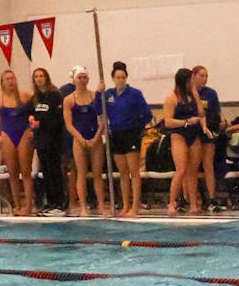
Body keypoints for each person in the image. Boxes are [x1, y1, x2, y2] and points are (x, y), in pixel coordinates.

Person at [103, 62, 151, 217]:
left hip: (131, 134)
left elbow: (147, 114)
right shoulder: (108, 95)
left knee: (133, 171)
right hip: (116, 135)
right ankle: (125, 205)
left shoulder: (135, 94)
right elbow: (98, 108)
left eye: (123, 77)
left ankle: (135, 207)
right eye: (117, 77)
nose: (120, 80)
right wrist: (98, 92)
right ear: (113, 78)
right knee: (123, 172)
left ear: (126, 78)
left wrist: (137, 127)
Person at [63, 66, 109, 217]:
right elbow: (69, 125)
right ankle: (83, 207)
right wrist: (80, 139)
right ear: (74, 80)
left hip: (95, 137)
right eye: (79, 78)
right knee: (81, 174)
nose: (82, 80)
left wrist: (96, 138)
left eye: (84, 78)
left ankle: (102, 206)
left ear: (88, 79)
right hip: (79, 139)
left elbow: (102, 121)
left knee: (97, 174)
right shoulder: (69, 100)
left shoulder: (95, 97)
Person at [0, 69, 33, 216]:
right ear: (2, 82)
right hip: (7, 136)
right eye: (7, 79)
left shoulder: (26, 96)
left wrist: (33, 129)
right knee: (12, 173)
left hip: (23, 134)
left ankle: (28, 205)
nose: (11, 81)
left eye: (12, 78)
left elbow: (37, 111)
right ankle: (17, 205)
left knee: (26, 172)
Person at [193, 65, 238, 213]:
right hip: (193, 134)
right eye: (202, 75)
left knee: (208, 166)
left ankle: (212, 199)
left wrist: (222, 123)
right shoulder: (188, 93)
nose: (205, 79)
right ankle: (192, 199)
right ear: (194, 76)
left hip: (208, 133)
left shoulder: (211, 94)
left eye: (206, 76)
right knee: (191, 168)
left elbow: (218, 113)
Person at [160, 67, 204, 216]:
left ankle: (193, 204)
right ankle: (171, 203)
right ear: (184, 81)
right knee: (181, 170)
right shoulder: (171, 98)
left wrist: (196, 96)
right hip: (179, 134)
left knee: (193, 171)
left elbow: (201, 113)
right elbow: (168, 121)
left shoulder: (194, 94)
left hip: (193, 134)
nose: (194, 82)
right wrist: (185, 122)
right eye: (191, 79)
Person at [27, 67, 68, 216]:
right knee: (46, 172)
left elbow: (58, 119)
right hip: (41, 141)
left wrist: (41, 124)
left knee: (55, 171)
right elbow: (29, 111)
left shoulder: (55, 95)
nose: (39, 79)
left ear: (46, 77)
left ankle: (59, 203)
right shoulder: (36, 97)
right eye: (36, 76)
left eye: (41, 76)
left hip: (54, 139)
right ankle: (50, 202)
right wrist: (31, 118)